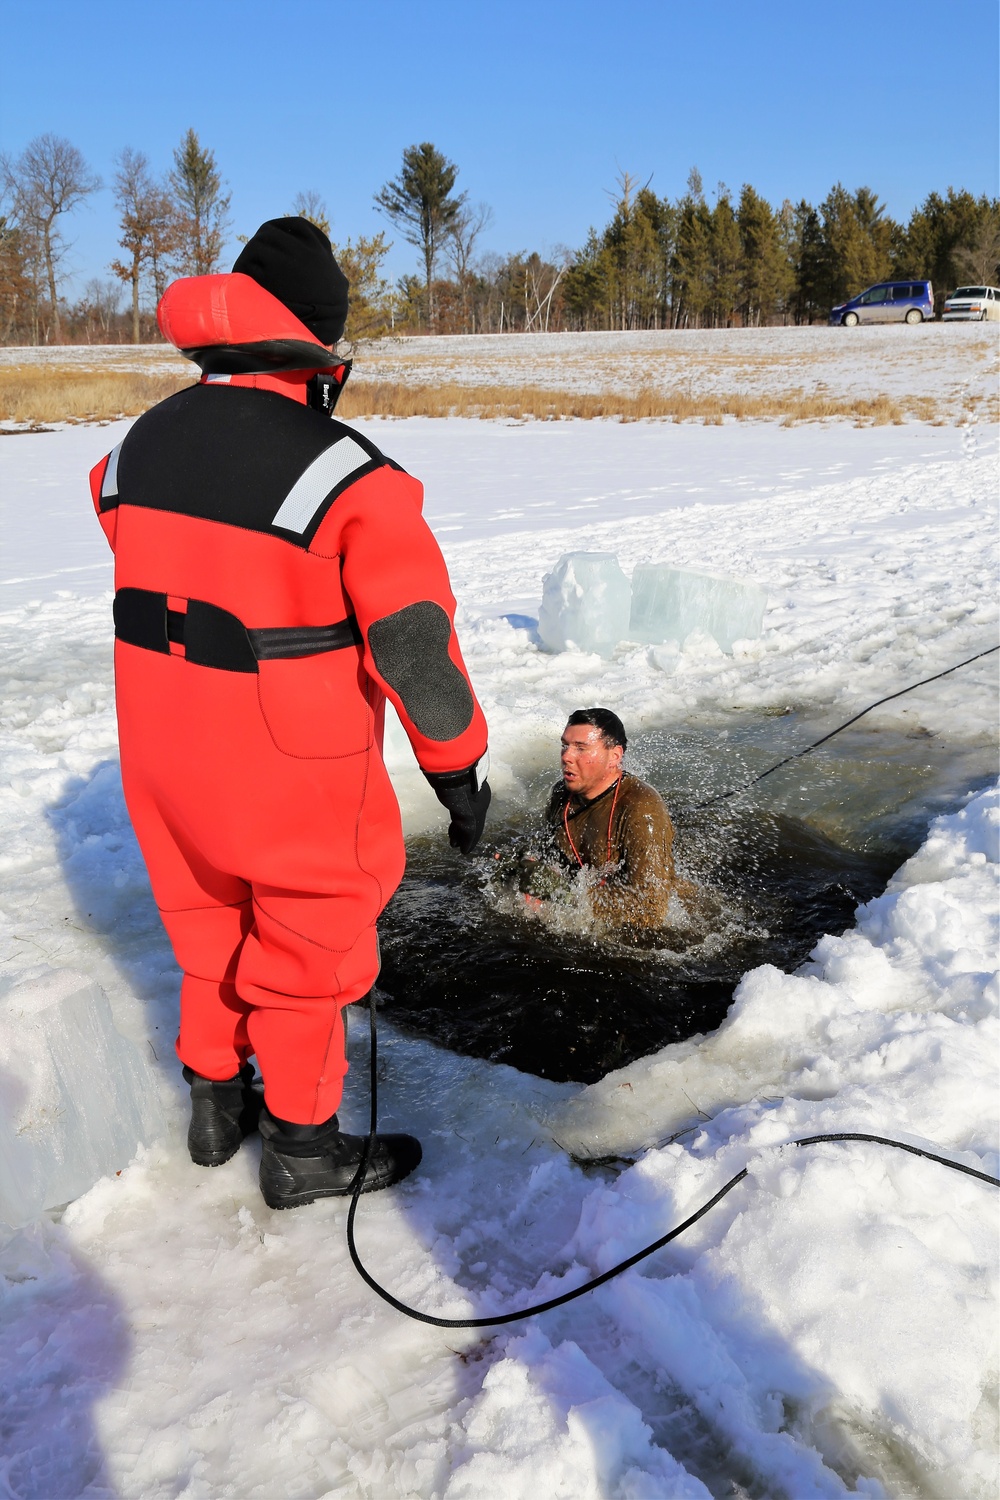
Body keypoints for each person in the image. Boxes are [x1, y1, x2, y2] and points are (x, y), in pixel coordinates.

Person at [89, 217, 490, 1210]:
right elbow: (412, 645)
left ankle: (216, 1106)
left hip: (164, 744)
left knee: (203, 920)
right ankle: (304, 1147)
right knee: (308, 947)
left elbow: (140, 549)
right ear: (317, 345)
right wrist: (457, 768)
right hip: (292, 761)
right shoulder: (351, 478)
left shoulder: (136, 445)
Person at [520, 708, 692, 935]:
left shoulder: (642, 809)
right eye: (565, 745)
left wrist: (565, 897)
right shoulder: (561, 794)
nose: (566, 757)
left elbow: (652, 908)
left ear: (614, 756)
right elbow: (549, 855)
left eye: (581, 748)